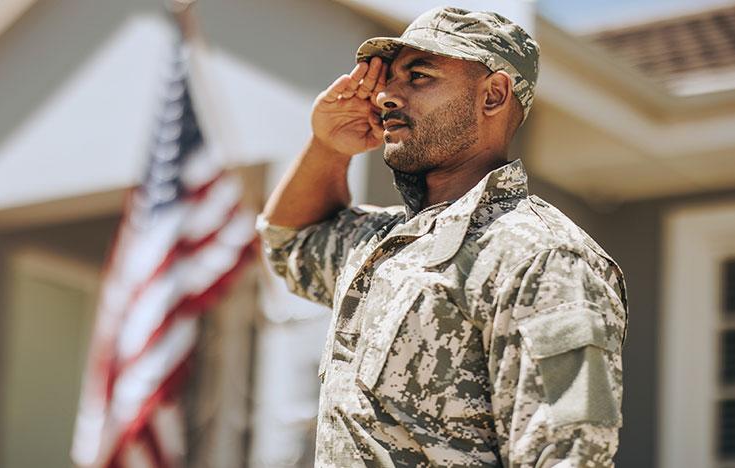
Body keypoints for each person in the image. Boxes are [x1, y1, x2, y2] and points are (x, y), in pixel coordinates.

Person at [256, 6, 628, 467]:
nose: (386, 96)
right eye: (387, 79)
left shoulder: (544, 257)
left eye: (419, 77)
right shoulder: (384, 241)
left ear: (493, 95)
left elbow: (569, 456)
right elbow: (290, 242)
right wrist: (328, 146)